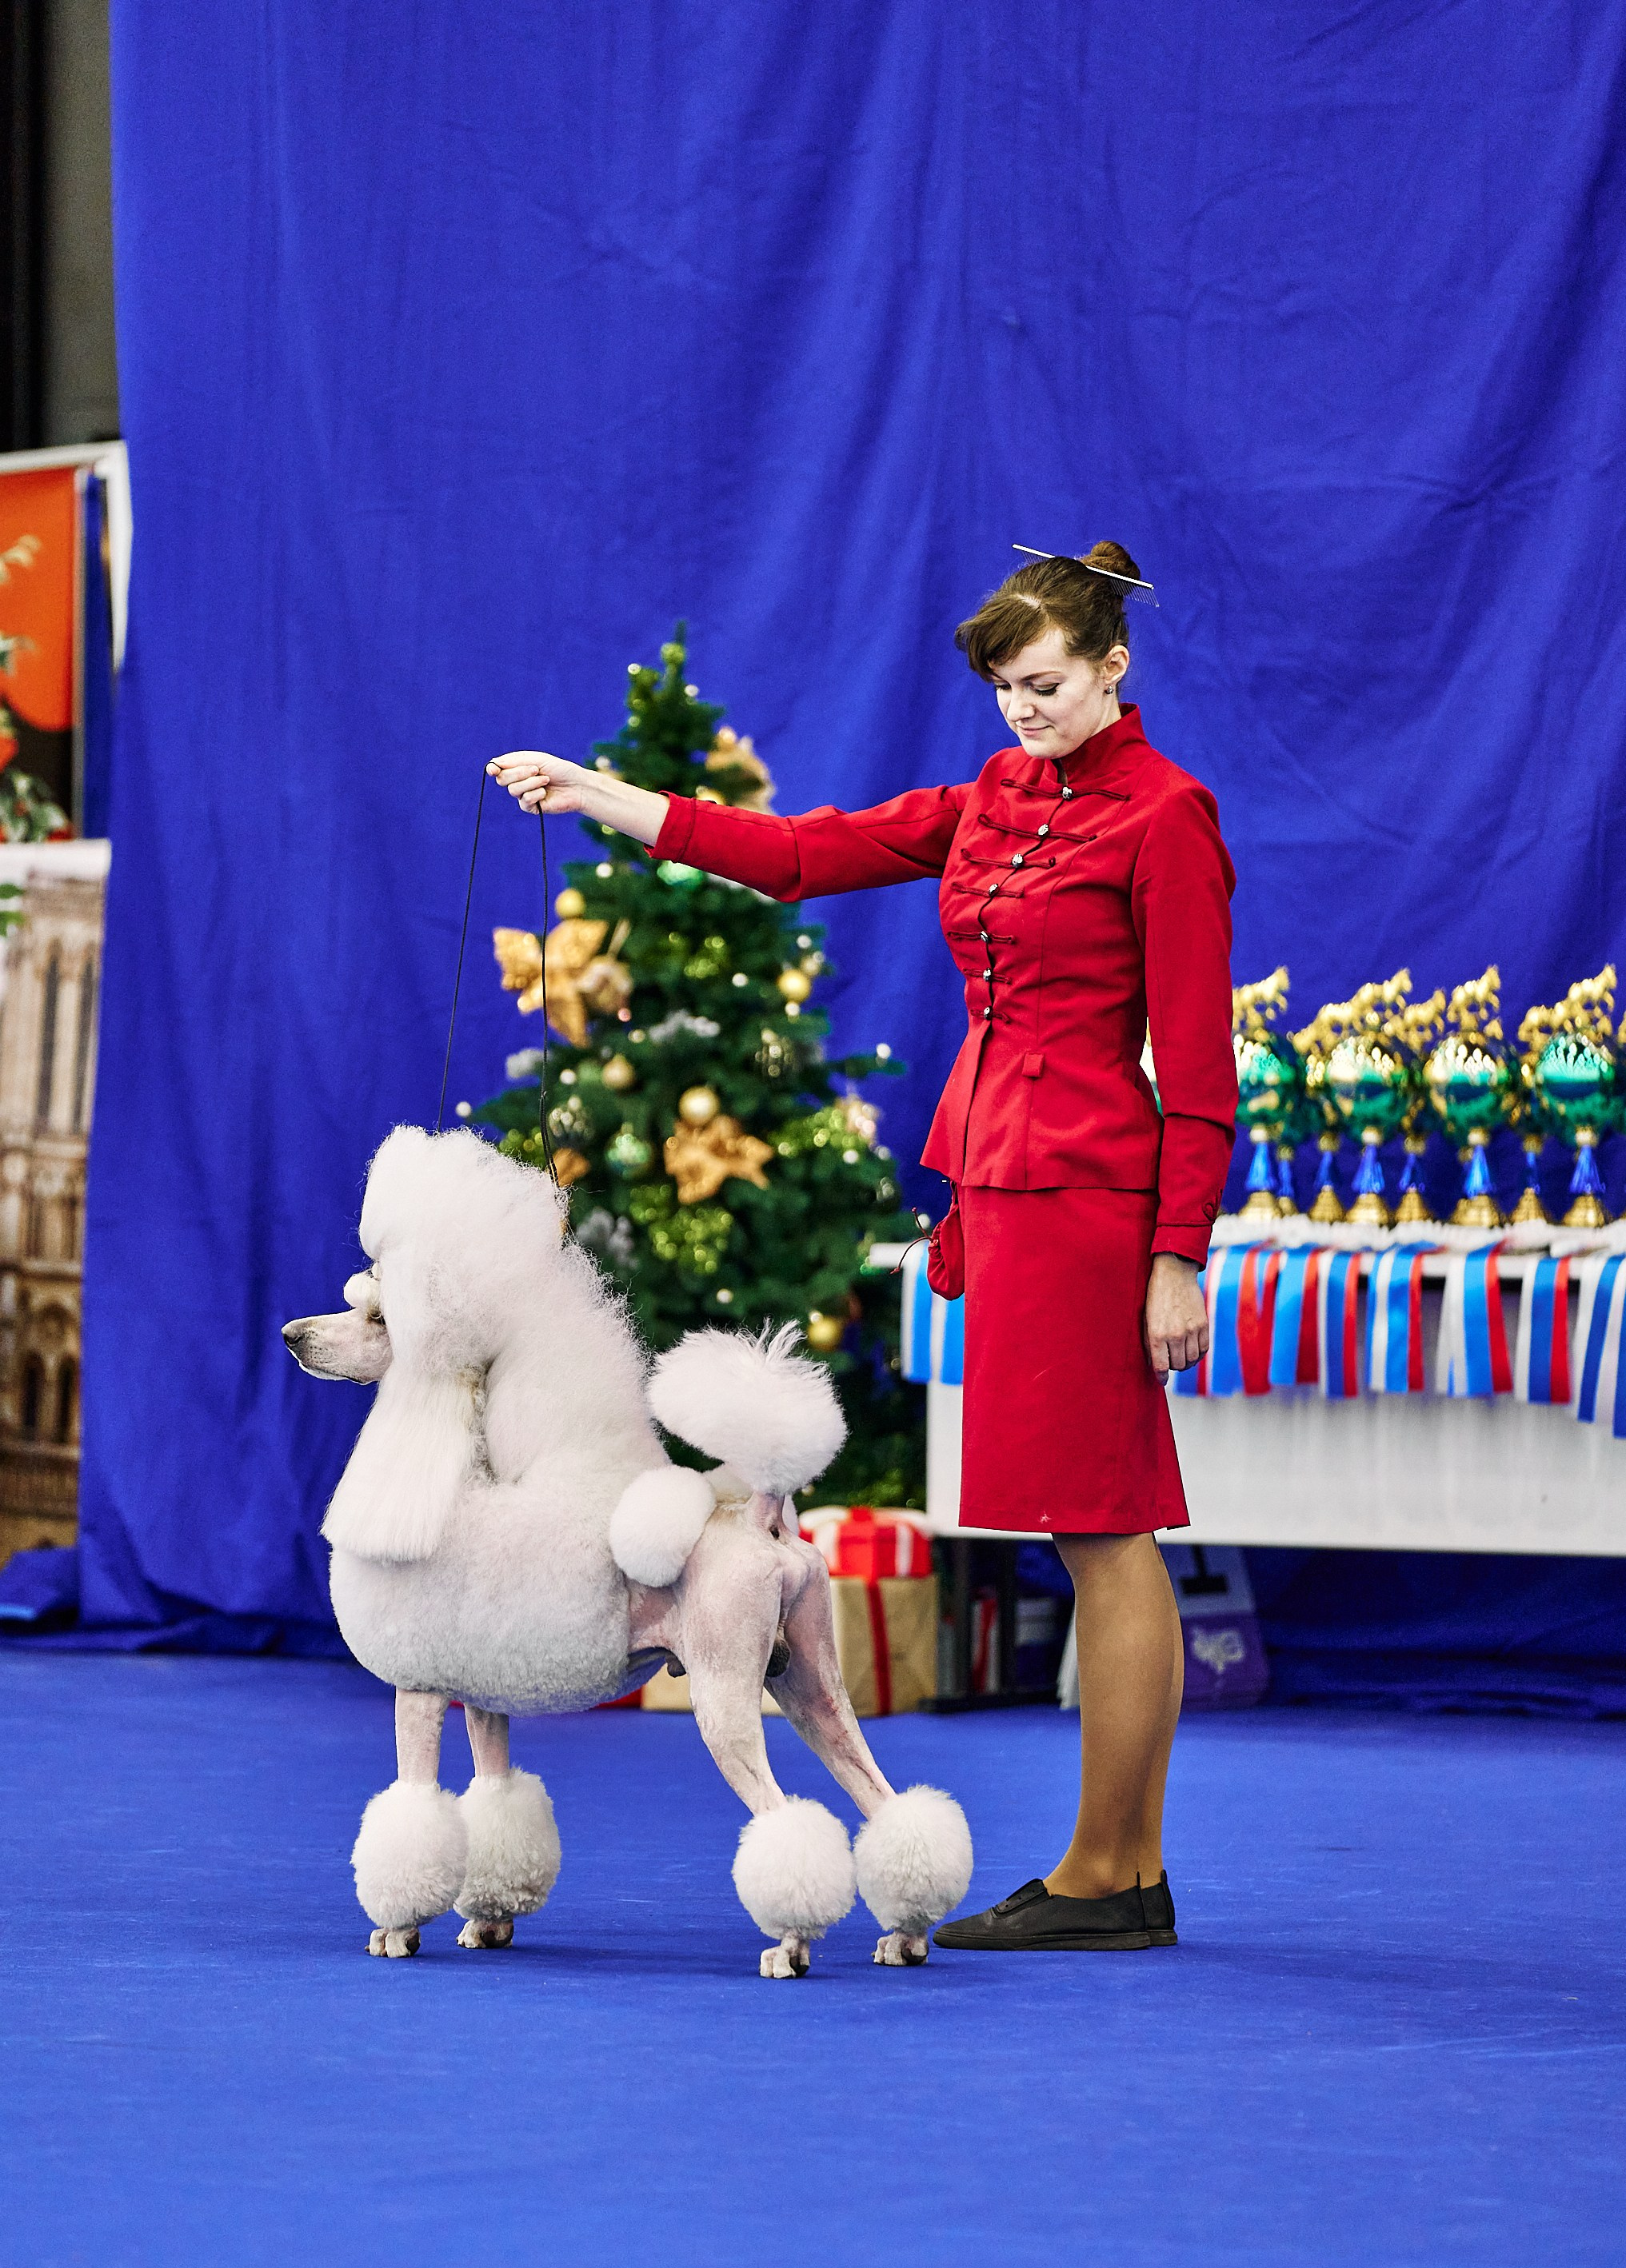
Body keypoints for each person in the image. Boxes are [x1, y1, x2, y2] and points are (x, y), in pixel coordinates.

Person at [489, 541, 1236, 1954]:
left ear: (1112, 669)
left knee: (1106, 1526)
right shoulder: (993, 798)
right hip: (1003, 1195)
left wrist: (1175, 1256)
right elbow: (795, 855)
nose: (1024, 710)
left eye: (1047, 684)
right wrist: (607, 797)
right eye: (1008, 690)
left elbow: (1198, 1065)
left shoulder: (1166, 817)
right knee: (1089, 1526)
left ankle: (1109, 1873)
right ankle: (1116, 1871)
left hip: (1094, 1207)